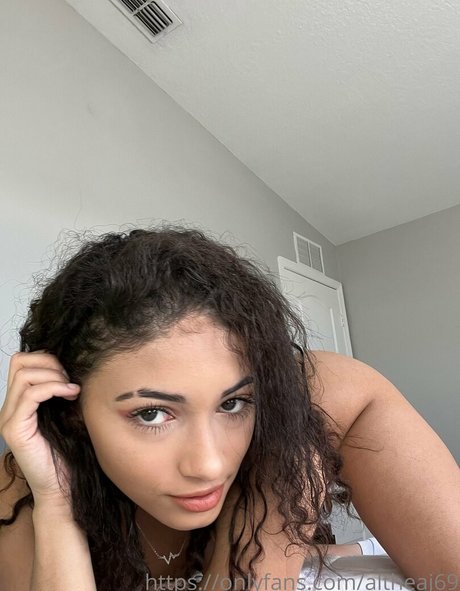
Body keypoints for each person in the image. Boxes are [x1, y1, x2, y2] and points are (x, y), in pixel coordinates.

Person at [0, 225, 458, 591]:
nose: (210, 465)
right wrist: (57, 509)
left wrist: (260, 508)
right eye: (151, 413)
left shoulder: (307, 401)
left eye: (233, 403)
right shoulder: (26, 484)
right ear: (73, 410)